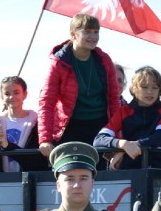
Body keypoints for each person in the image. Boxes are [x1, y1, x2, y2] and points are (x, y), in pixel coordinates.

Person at [38, 13, 121, 160]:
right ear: (73, 34)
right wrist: (45, 139)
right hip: (70, 127)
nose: (93, 36)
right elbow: (46, 103)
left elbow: (114, 100)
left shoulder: (104, 60)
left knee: (99, 176)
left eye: (96, 32)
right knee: (72, 172)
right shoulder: (58, 62)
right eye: (87, 31)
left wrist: (117, 137)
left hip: (100, 127)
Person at [93, 66, 161, 169]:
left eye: (155, 87)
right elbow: (99, 139)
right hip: (128, 170)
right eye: (144, 87)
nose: (150, 91)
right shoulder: (123, 111)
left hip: (156, 170)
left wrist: (131, 146)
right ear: (134, 89)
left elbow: (160, 137)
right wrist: (122, 144)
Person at [0, 75, 48, 172]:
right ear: (2, 97)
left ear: (25, 94)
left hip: (29, 180)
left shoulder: (37, 122)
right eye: (7, 94)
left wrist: (7, 146)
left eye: (16, 92)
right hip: (0, 182)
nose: (11, 97)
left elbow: (36, 160)